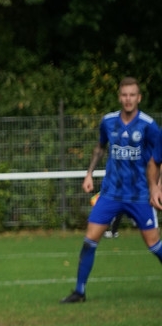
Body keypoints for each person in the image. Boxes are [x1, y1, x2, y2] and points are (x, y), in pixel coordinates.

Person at [62, 77, 162, 303]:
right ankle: (79, 291)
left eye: (132, 95)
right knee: (89, 241)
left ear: (139, 98)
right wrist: (89, 173)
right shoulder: (108, 121)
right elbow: (100, 147)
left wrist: (157, 186)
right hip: (110, 194)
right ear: (119, 97)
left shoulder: (148, 125)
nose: (128, 99)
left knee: (154, 245)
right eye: (124, 95)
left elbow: (159, 158)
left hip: (140, 196)